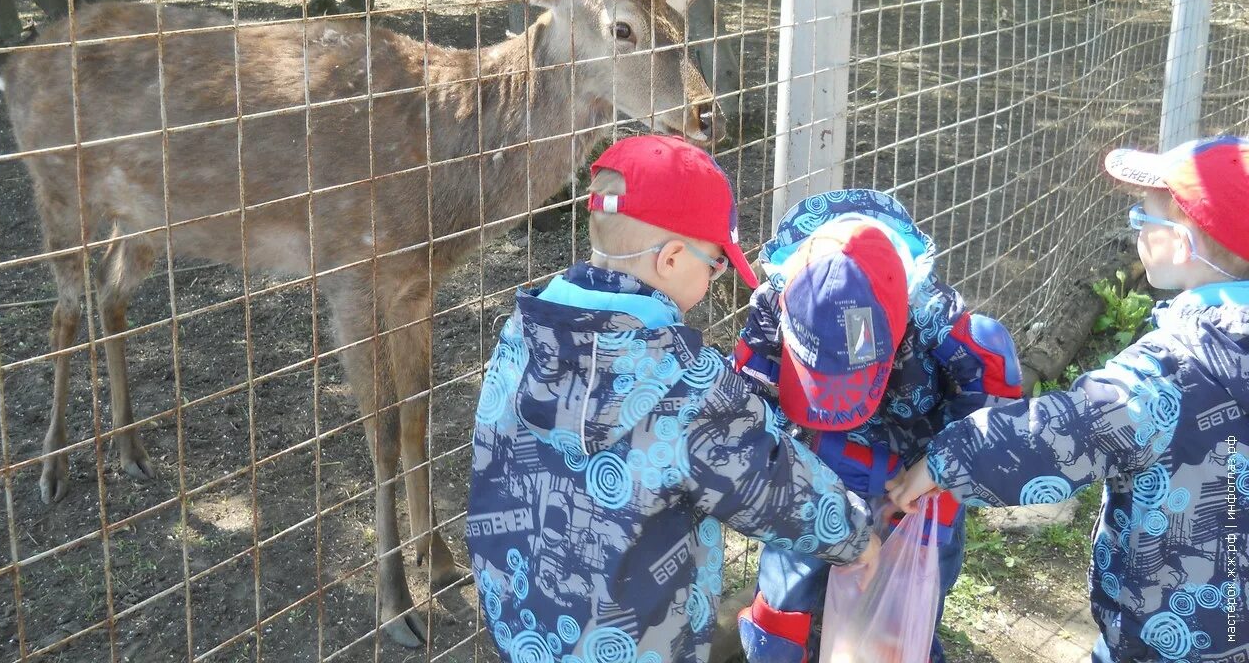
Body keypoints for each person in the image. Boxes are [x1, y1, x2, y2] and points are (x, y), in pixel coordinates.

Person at [467, 136, 879, 663]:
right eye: (715, 265)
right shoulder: (687, 382)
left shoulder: (521, 332)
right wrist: (858, 536)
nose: (714, 278)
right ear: (672, 258)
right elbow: (771, 482)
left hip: (524, 627)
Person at [888, 136, 1249, 663]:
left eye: (1141, 217)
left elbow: (1065, 431)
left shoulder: (1172, 369)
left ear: (1183, 238)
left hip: (1170, 631)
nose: (1138, 231)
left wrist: (949, 458)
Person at [733, 190, 1023, 663]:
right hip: (815, 466)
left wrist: (942, 469)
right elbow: (745, 396)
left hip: (916, 477)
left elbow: (995, 404)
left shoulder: (936, 318)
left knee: (911, 596)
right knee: (785, 594)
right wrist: (775, 473)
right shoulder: (780, 297)